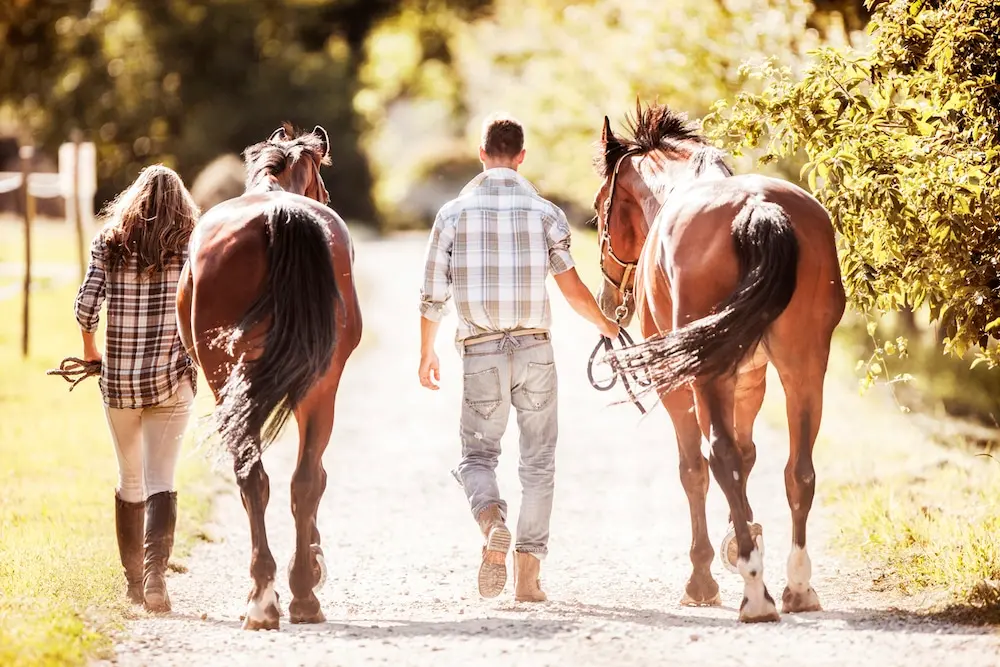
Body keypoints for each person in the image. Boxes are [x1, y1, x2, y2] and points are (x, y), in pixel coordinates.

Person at [418, 112, 619, 601]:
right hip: (535, 351)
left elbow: (431, 297)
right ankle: (528, 579)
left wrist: (426, 352)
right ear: (522, 156)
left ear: (482, 155)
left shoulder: (451, 215)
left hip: (480, 350)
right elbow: (572, 290)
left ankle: (491, 525)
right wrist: (607, 327)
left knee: (478, 456)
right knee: (539, 464)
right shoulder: (545, 213)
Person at [74, 164, 199, 613]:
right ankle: (155, 580)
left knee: (130, 479)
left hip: (120, 382)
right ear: (181, 203)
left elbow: (87, 306)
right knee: (161, 479)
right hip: (170, 379)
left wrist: (91, 352)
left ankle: (132, 583)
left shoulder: (109, 243)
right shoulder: (191, 245)